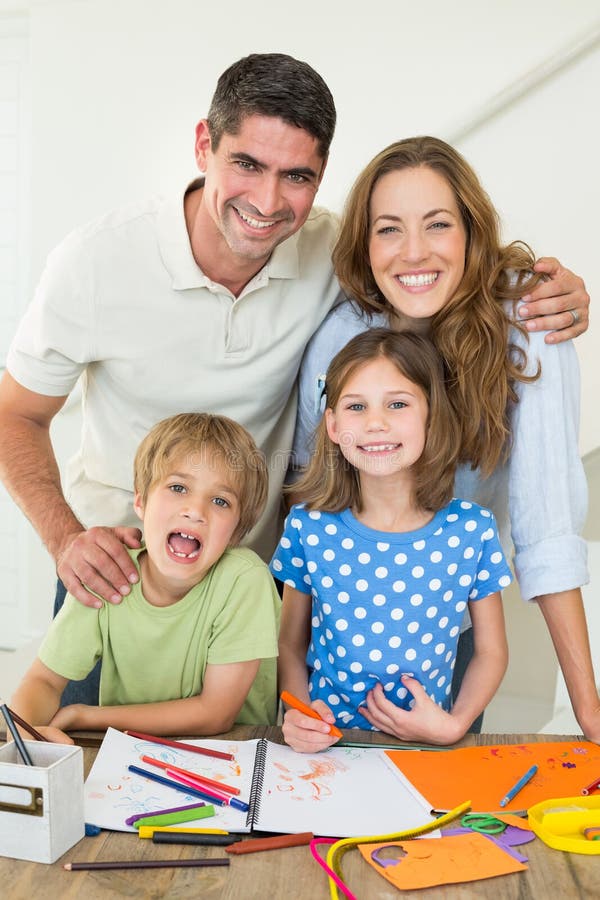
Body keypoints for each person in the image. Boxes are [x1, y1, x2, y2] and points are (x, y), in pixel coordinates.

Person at [0, 54, 589, 701]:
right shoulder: (95, 261)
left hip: (251, 584)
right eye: (247, 164)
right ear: (204, 145)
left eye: (297, 176)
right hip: (114, 572)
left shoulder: (333, 256)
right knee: (86, 777)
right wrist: (66, 540)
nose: (268, 201)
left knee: (259, 786)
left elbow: (423, 268)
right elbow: (14, 412)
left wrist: (530, 287)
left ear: (321, 177)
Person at [291, 136, 599, 742]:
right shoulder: (339, 342)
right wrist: (293, 699)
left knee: (436, 816)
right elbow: (309, 493)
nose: (414, 252)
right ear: (364, 243)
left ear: (470, 233)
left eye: (437, 225)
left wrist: (591, 714)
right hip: (330, 663)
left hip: (445, 636)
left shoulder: (528, 325)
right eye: (388, 230)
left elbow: (549, 525)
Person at [272, 329, 511, 750]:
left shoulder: (472, 530)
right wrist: (299, 713)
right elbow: (290, 645)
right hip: (327, 753)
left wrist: (455, 725)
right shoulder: (307, 527)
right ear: (332, 424)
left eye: (397, 404)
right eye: (356, 406)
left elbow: (491, 653)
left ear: (432, 415)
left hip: (427, 751)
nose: (376, 423)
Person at [9, 412, 281, 742]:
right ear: (141, 500)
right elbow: (44, 682)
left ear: (236, 531)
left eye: (220, 501)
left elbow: (216, 712)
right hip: (131, 762)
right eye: (178, 487)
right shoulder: (107, 574)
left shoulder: (245, 581)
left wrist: (86, 714)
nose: (195, 510)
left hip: (232, 760)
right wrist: (22, 739)